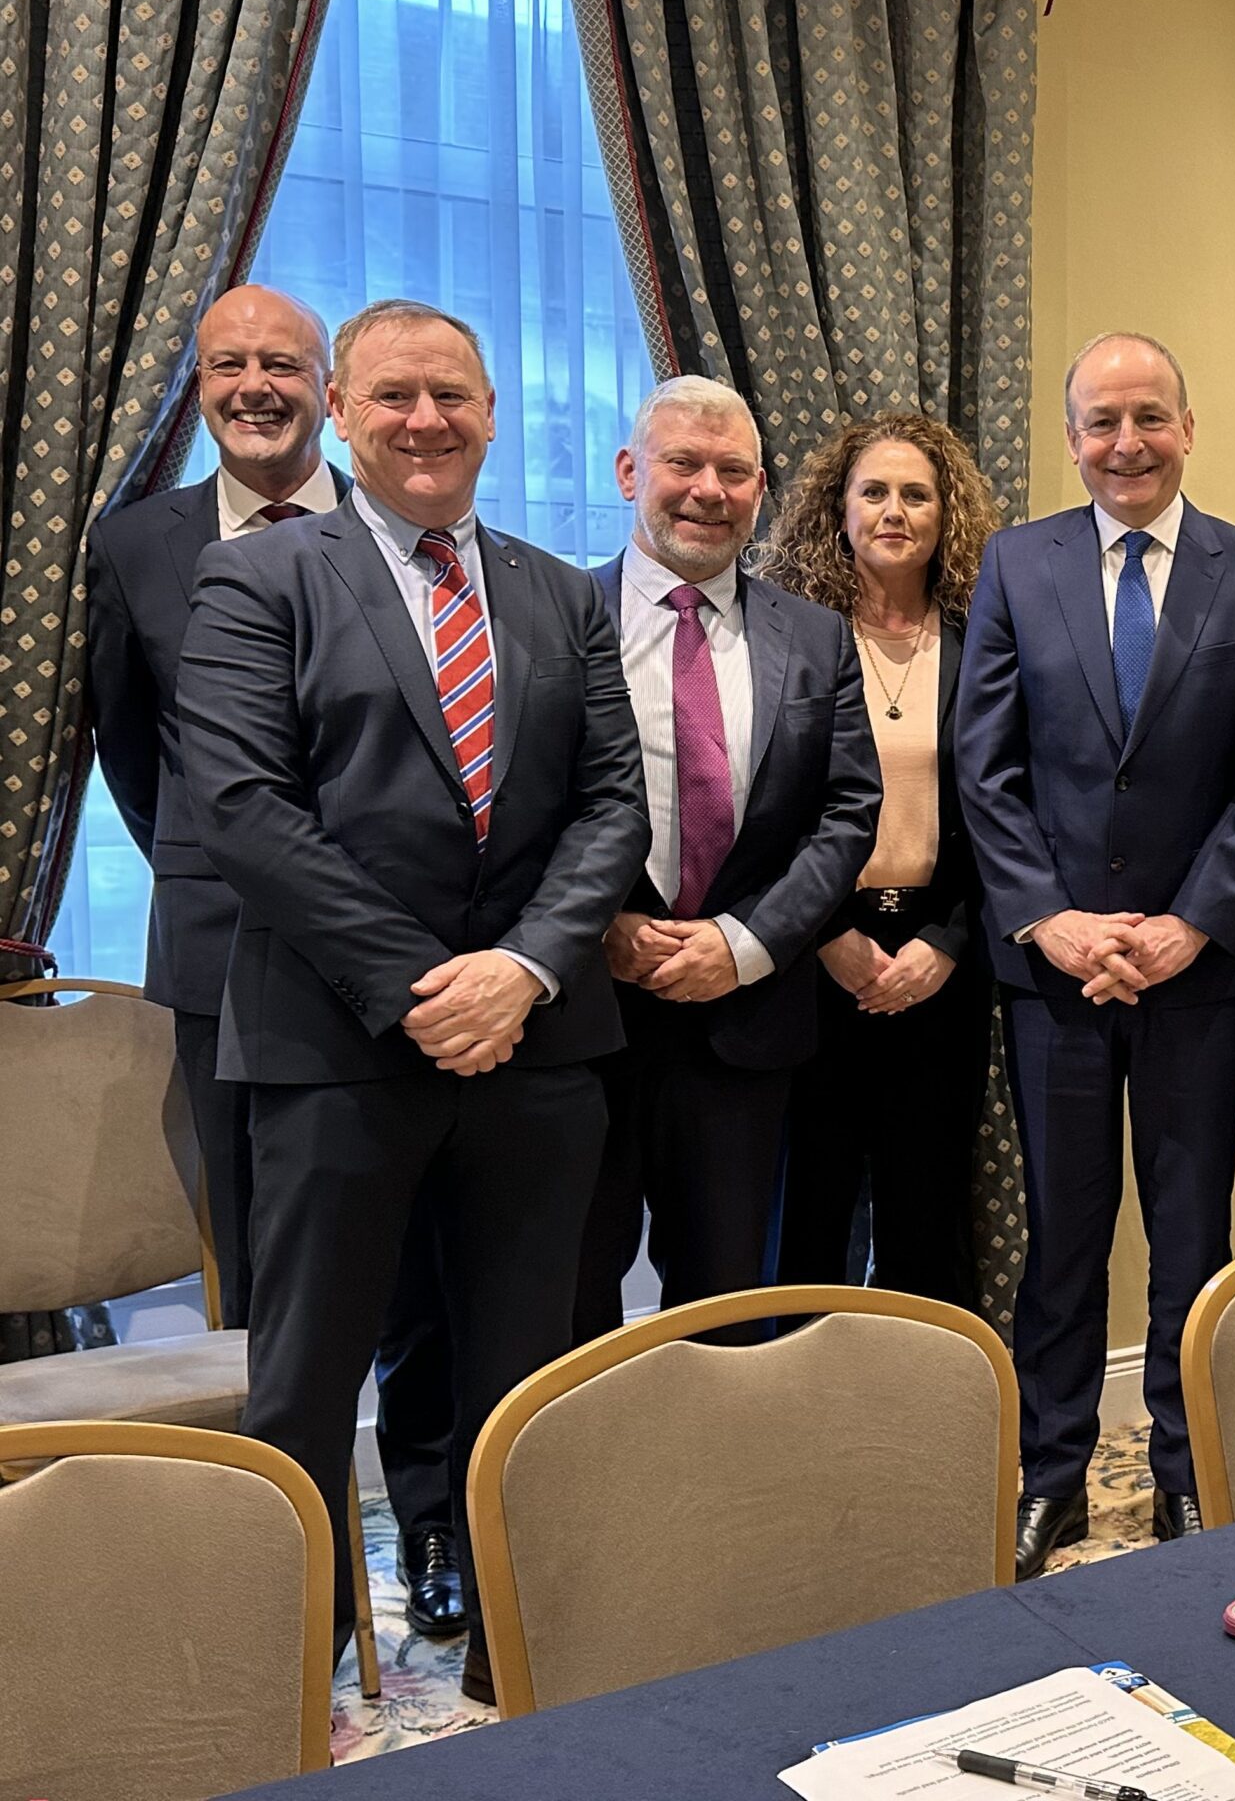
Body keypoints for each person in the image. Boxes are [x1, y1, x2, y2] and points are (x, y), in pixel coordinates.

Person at [178, 297, 648, 1701]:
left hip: (542, 1049)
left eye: (453, 394)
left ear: (495, 411)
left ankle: (519, 1648)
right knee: (308, 1385)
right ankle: (290, 1668)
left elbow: (614, 809)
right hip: (334, 1051)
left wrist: (520, 970)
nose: (427, 420)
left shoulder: (562, 591)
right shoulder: (258, 581)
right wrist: (416, 987)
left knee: (528, 1368)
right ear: (342, 410)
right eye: (394, 397)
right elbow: (246, 811)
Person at [87, 284, 468, 1643]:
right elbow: (145, 764)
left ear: (327, 388)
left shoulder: (409, 535)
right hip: (229, 970)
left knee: (423, 1273)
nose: (254, 385)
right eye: (226, 364)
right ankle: (269, 1572)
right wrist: (226, 870)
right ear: (197, 384)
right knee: (272, 1295)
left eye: (281, 365)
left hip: (417, 978)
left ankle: (431, 1532)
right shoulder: (136, 546)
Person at [957, 331, 1235, 1577]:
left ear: (1188, 425)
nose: (1126, 443)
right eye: (1102, 421)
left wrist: (1190, 923)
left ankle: (1185, 1474)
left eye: (1149, 417)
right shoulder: (1016, 562)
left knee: (1190, 1235)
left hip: (1197, 975)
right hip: (1052, 973)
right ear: (1070, 438)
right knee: (1061, 1236)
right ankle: (1050, 1474)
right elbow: (983, 764)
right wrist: (1051, 921)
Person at [571, 377, 879, 1346]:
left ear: (760, 489)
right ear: (630, 472)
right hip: (583, 1027)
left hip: (745, 1030)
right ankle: (570, 1498)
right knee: (566, 1296)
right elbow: (520, 808)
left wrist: (746, 945)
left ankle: (711, 1497)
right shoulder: (552, 613)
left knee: (727, 1304)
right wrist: (594, 927)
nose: (707, 489)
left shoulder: (815, 637)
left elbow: (847, 813)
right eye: (683, 463)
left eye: (733, 470)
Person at [765, 411, 999, 1308]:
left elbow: (1006, 814)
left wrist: (946, 942)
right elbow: (767, 807)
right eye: (874, 491)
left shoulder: (985, 643)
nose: (894, 510)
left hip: (945, 961)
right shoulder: (789, 638)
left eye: (916, 493)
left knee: (925, 1216)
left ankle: (912, 1428)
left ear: (948, 514)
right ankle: (801, 1426)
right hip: (813, 958)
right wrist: (825, 934)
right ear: (839, 507)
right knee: (809, 1214)